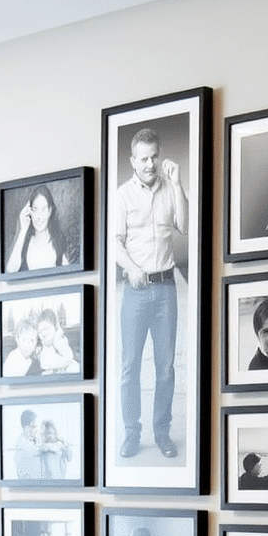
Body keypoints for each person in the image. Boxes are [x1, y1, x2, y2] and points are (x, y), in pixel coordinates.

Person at [114, 126, 189, 460]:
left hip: (165, 290)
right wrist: (130, 266)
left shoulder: (169, 186)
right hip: (134, 291)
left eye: (154, 157)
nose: (149, 164)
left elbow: (185, 226)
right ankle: (132, 433)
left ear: (159, 155)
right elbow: (114, 242)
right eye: (143, 158)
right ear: (133, 160)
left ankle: (162, 432)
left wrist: (177, 184)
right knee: (129, 367)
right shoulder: (122, 195)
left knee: (166, 367)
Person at [6, 185, 68, 273]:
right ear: (29, 211)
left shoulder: (59, 241)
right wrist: (23, 230)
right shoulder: (25, 242)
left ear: (50, 211)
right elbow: (10, 270)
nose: (39, 217)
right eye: (35, 209)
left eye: (43, 209)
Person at [36, 308, 79, 374]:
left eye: (46, 329)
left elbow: (68, 357)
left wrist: (57, 340)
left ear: (56, 327)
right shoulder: (44, 350)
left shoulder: (61, 341)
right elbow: (45, 364)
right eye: (40, 331)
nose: (43, 333)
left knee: (74, 368)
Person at [14, 410, 42, 479]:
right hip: (27, 481)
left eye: (35, 426)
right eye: (32, 426)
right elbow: (36, 451)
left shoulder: (35, 439)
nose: (35, 430)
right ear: (24, 427)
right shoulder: (21, 442)